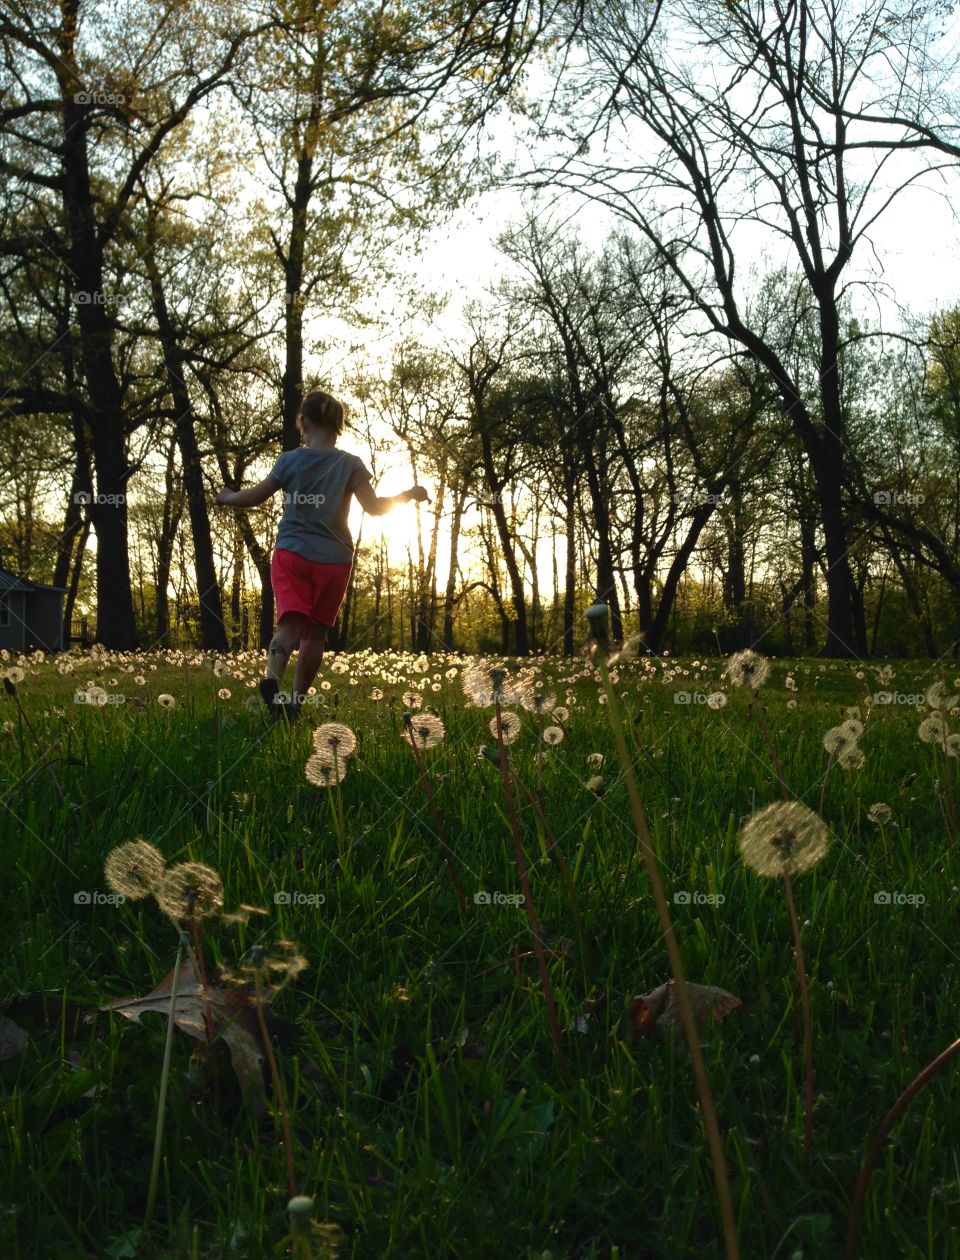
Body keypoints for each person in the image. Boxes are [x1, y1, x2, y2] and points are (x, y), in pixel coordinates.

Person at [215, 389, 428, 719]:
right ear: (338, 426)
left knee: (290, 625)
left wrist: (227, 496)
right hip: (334, 560)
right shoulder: (351, 464)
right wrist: (407, 494)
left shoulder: (290, 460)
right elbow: (374, 508)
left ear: (303, 421)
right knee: (315, 634)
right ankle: (295, 705)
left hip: (292, 554)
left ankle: (272, 679)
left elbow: (254, 497)